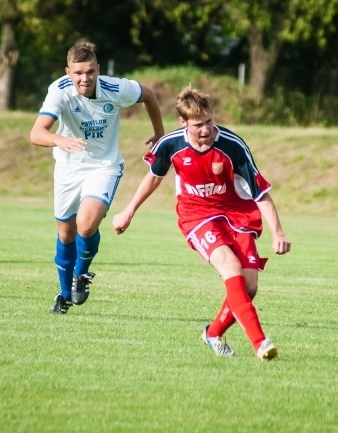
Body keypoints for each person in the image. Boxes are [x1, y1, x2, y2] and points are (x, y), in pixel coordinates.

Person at [112, 85, 291, 360]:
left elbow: (260, 192)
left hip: (237, 215)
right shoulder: (170, 145)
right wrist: (129, 211)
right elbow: (154, 177)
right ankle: (260, 343)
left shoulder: (233, 146)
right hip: (197, 217)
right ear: (183, 123)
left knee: (249, 285)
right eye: (198, 125)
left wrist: (277, 231)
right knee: (230, 268)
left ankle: (213, 333)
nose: (206, 130)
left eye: (209, 122)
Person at [30, 41, 164, 313]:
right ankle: (64, 294)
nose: (85, 78)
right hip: (68, 168)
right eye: (78, 72)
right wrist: (59, 140)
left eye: (90, 71)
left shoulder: (115, 89)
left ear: (98, 70)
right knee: (66, 232)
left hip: (104, 166)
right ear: (68, 72)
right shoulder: (59, 91)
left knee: (86, 224)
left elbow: (148, 95)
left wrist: (159, 132)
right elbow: (36, 133)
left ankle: (82, 274)